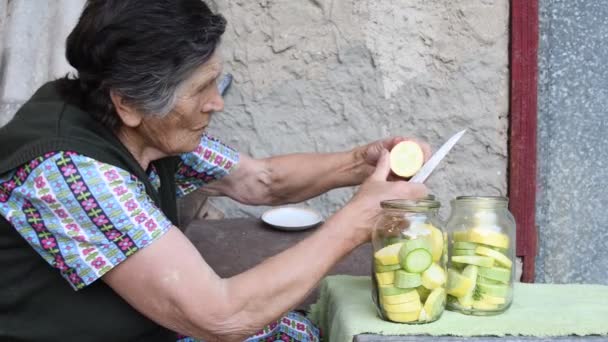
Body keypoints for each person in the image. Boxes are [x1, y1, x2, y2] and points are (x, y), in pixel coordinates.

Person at [0, 0, 430, 341]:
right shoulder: (74, 171)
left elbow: (261, 180)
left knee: (303, 330)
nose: (216, 102)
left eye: (215, 82)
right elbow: (222, 316)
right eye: (201, 88)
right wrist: (357, 222)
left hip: (156, 327)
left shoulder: (143, 127)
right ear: (127, 103)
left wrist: (360, 163)